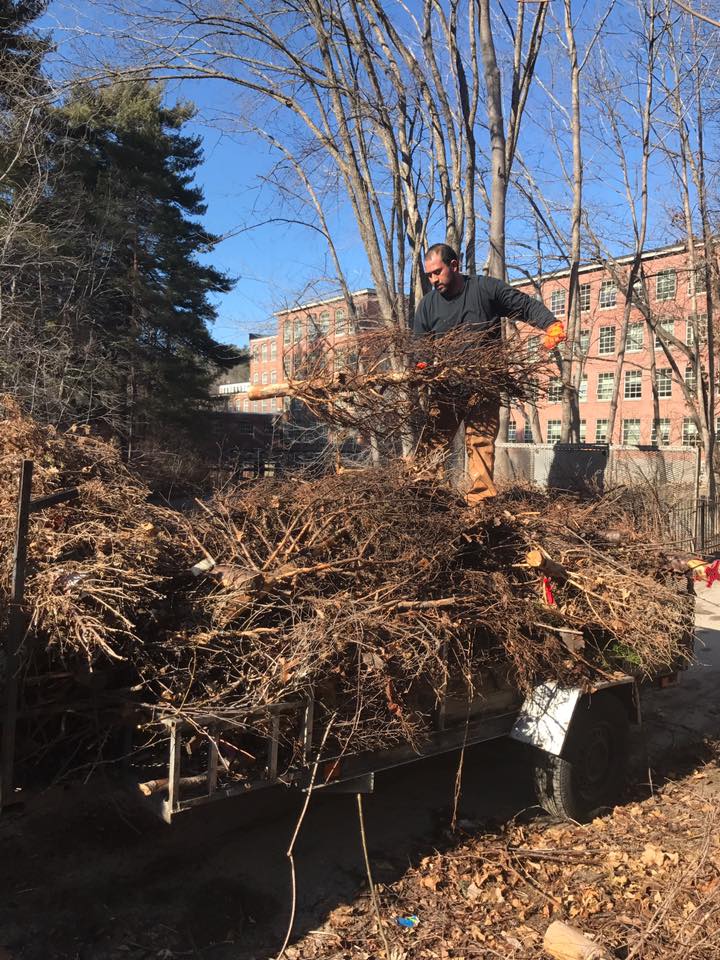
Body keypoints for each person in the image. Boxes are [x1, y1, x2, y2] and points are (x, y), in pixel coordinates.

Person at [413, 242, 566, 503]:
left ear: (454, 266)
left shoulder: (485, 289)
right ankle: (426, 497)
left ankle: (480, 502)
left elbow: (525, 305)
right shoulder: (428, 306)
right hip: (447, 388)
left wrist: (551, 324)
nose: (433, 279)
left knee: (480, 443)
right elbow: (421, 347)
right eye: (428, 275)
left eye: (437, 272)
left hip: (485, 385)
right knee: (433, 442)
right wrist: (422, 367)